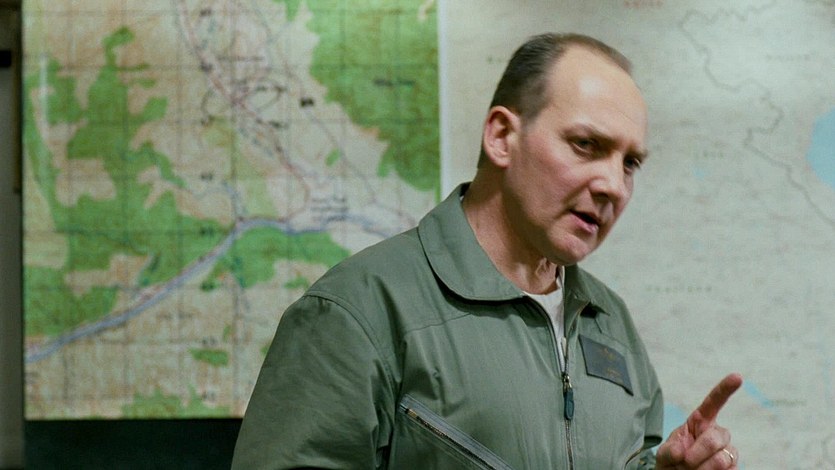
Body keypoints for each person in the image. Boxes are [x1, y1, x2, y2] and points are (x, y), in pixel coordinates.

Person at [232, 32, 742, 469]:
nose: (613, 184)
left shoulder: (611, 323)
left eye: (630, 163)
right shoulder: (358, 311)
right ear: (501, 137)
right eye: (586, 144)